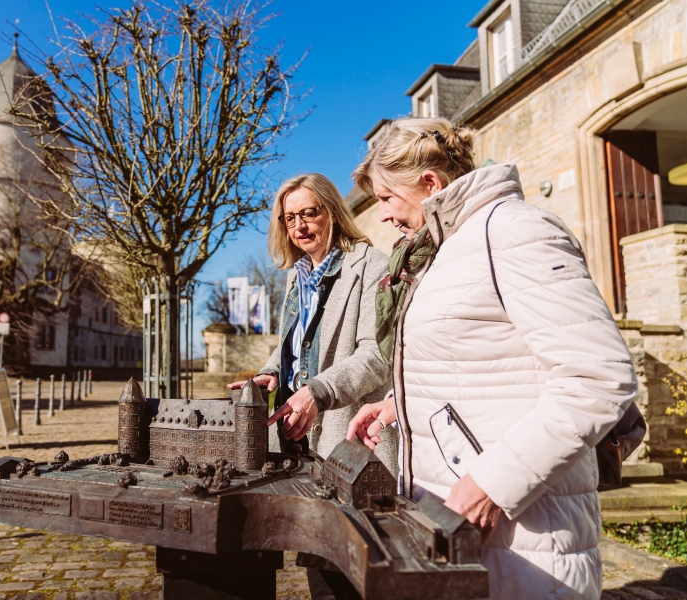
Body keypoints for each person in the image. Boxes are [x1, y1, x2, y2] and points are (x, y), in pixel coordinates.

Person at [346, 117, 637, 600]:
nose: (381, 216)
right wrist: (400, 402)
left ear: (430, 184)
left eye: (385, 198)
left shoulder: (515, 230)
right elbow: (482, 358)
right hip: (469, 531)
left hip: (527, 539)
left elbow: (597, 377)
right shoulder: (448, 248)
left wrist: (492, 485)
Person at [227, 172, 394, 600]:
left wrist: (317, 391)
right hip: (300, 442)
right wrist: (269, 375)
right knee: (319, 569)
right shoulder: (295, 277)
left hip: (348, 438)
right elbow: (291, 348)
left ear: (333, 214)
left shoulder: (370, 265)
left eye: (308, 213)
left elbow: (376, 355)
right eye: (289, 219)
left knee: (357, 571)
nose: (299, 226)